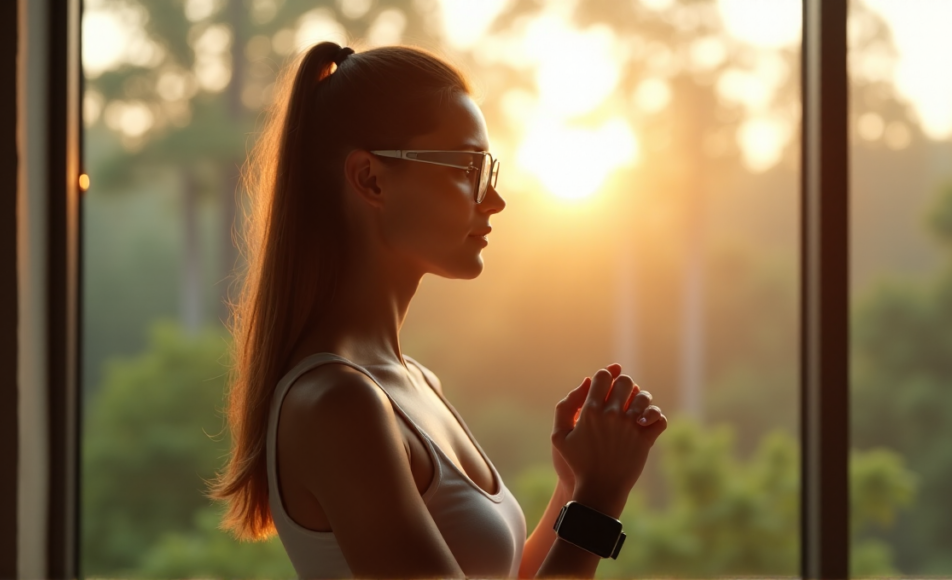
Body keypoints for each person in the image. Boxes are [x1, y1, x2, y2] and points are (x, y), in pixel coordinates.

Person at [209, 41, 668, 579]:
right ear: (371, 179)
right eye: (468, 167)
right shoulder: (337, 404)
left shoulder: (414, 383)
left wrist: (572, 486)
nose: (493, 200)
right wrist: (597, 503)